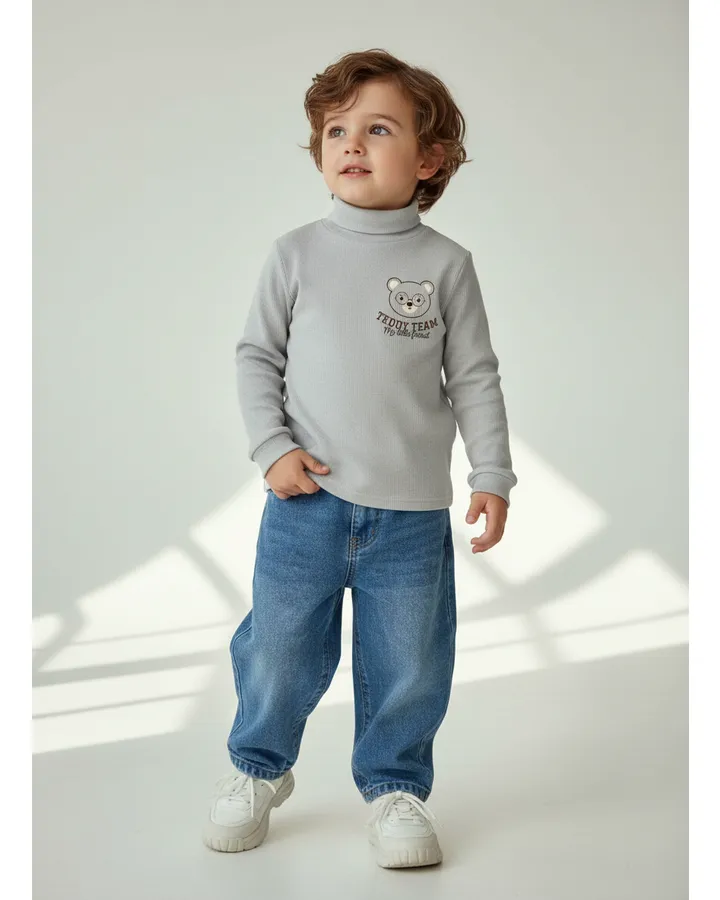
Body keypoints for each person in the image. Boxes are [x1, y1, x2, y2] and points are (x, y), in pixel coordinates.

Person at [202, 48, 518, 869]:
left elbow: (474, 377)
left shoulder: (446, 266)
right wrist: (272, 448)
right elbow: (255, 358)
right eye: (336, 130)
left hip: (410, 518)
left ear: (428, 159)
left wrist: (491, 474)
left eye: (378, 129)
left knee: (410, 661)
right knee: (278, 647)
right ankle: (257, 768)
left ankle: (395, 786)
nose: (350, 143)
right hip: (304, 504)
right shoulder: (295, 253)